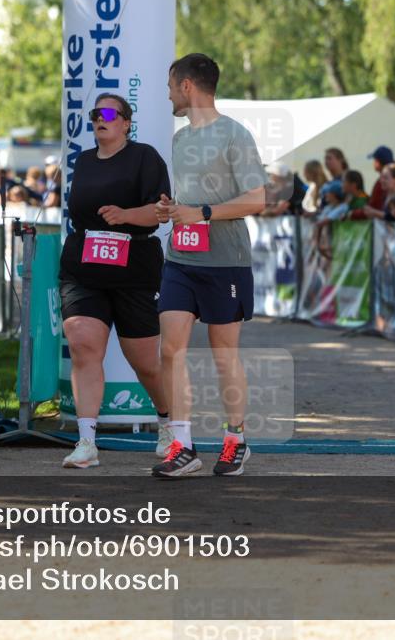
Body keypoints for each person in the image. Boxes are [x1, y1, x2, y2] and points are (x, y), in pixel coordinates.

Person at [154, 53, 268, 477]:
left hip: (225, 261)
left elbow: (257, 199)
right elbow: (188, 200)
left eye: (170, 85)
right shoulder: (180, 139)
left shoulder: (235, 135)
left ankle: (236, 439)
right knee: (171, 348)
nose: (167, 94)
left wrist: (201, 212)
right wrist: (172, 208)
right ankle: (182, 445)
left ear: (187, 86)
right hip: (180, 258)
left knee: (224, 356)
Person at [59, 92, 171, 470]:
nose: (99, 119)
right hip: (84, 264)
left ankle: (167, 422)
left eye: (108, 113)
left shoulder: (145, 157)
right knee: (82, 344)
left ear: (126, 122)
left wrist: (125, 215)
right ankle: (87, 441)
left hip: (134, 266)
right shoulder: (84, 160)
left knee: (144, 362)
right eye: (95, 113)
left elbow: (160, 212)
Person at [366, 145, 394, 209]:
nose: (373, 163)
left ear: (378, 162)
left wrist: (353, 213)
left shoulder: (381, 182)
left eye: (375, 160)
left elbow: (374, 205)